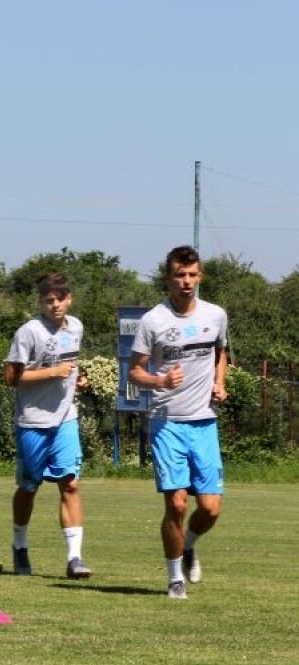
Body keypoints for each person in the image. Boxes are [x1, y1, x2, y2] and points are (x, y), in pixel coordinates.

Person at [128, 246, 228, 600]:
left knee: (211, 508)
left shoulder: (215, 315)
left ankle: (189, 544)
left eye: (192, 275)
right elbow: (135, 370)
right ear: (168, 278)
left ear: (200, 276)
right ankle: (174, 580)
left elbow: (220, 352)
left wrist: (220, 383)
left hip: (204, 423)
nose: (186, 282)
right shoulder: (153, 321)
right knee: (177, 505)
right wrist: (159, 381)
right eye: (179, 275)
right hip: (167, 422)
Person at [4, 272, 91, 579]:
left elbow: (70, 367)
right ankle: (19, 546)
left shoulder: (76, 327)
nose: (55, 305)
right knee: (29, 487)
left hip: (66, 418)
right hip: (33, 421)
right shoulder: (29, 332)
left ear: (70, 299)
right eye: (48, 300)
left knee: (71, 483)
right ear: (40, 302)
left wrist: (76, 380)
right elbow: (11, 378)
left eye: (60, 299)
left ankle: (75, 558)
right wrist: (54, 372)